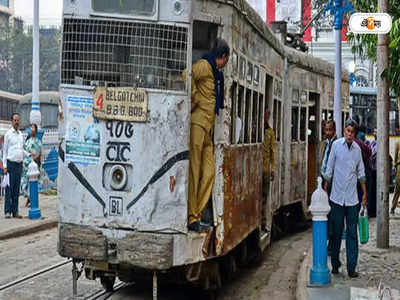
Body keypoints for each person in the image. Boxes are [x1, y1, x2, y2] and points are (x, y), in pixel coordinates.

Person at [183, 39, 230, 232]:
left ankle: (198, 212)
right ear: (223, 57)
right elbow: (187, 74)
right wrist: (194, 98)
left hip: (207, 129)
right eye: (227, 59)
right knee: (195, 172)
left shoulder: (215, 73)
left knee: (209, 173)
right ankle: (192, 217)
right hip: (197, 124)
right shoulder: (204, 66)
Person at [323, 119, 367, 278]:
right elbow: (329, 169)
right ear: (344, 131)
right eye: (348, 131)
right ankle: (335, 263)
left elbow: (361, 172)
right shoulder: (335, 146)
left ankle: (351, 267)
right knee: (335, 232)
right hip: (336, 197)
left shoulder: (357, 150)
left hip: (352, 199)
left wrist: (364, 194)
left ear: (355, 134)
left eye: (352, 132)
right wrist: (325, 190)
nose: (349, 134)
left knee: (352, 234)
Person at [3, 113, 29, 218]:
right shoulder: (8, 134)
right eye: (15, 120)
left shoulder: (20, 135)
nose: (17, 122)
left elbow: (21, 150)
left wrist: (28, 154)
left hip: (19, 165)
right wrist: (4, 166)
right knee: (9, 189)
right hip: (10, 165)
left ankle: (15, 211)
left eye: (18, 120)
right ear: (11, 121)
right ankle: (7, 211)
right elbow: (4, 151)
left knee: (16, 190)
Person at [318, 119, 337, 255]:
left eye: (330, 130)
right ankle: (328, 242)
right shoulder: (327, 143)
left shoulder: (335, 144)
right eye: (326, 130)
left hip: (330, 183)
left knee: (330, 214)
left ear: (334, 130)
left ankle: (331, 245)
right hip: (325, 179)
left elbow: (333, 165)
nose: (327, 132)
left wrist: (327, 182)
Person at [20, 124, 42, 208]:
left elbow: (39, 154)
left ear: (36, 130)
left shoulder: (38, 141)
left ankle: (31, 200)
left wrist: (34, 160)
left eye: (33, 128)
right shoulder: (27, 141)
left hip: (34, 165)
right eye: (30, 127)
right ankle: (28, 198)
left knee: (33, 184)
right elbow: (24, 152)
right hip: (26, 165)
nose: (31, 129)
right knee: (24, 183)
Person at [262, 108, 276, 221]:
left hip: (265, 168)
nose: (266, 116)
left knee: (264, 196)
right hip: (259, 168)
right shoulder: (255, 128)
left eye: (267, 114)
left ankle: (263, 220)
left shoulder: (270, 132)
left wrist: (273, 169)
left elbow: (273, 152)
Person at [368, 128, 377, 217]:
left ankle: (373, 211)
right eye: (373, 131)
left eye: (376, 132)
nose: (374, 133)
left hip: (376, 170)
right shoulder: (373, 142)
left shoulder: (379, 144)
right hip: (372, 169)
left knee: (374, 191)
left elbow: (372, 154)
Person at [391, 138, 400, 215]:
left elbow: (396, 157)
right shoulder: (398, 142)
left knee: (397, 189)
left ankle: (393, 207)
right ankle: (393, 207)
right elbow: (396, 157)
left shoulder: (398, 142)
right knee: (397, 188)